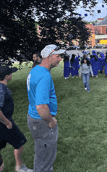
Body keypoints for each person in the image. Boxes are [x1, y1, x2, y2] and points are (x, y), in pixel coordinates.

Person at [27, 44, 65, 172]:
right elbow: (41, 106)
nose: (60, 59)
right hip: (41, 121)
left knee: (41, 154)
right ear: (49, 56)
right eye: (58, 56)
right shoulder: (44, 76)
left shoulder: (35, 70)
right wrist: (51, 121)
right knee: (45, 162)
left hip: (33, 118)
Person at [0, 65, 33, 172]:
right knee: (20, 142)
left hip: (3, 122)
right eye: (11, 73)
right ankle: (19, 167)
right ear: (7, 76)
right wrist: (7, 122)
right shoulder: (1, 89)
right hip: (4, 122)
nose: (12, 74)